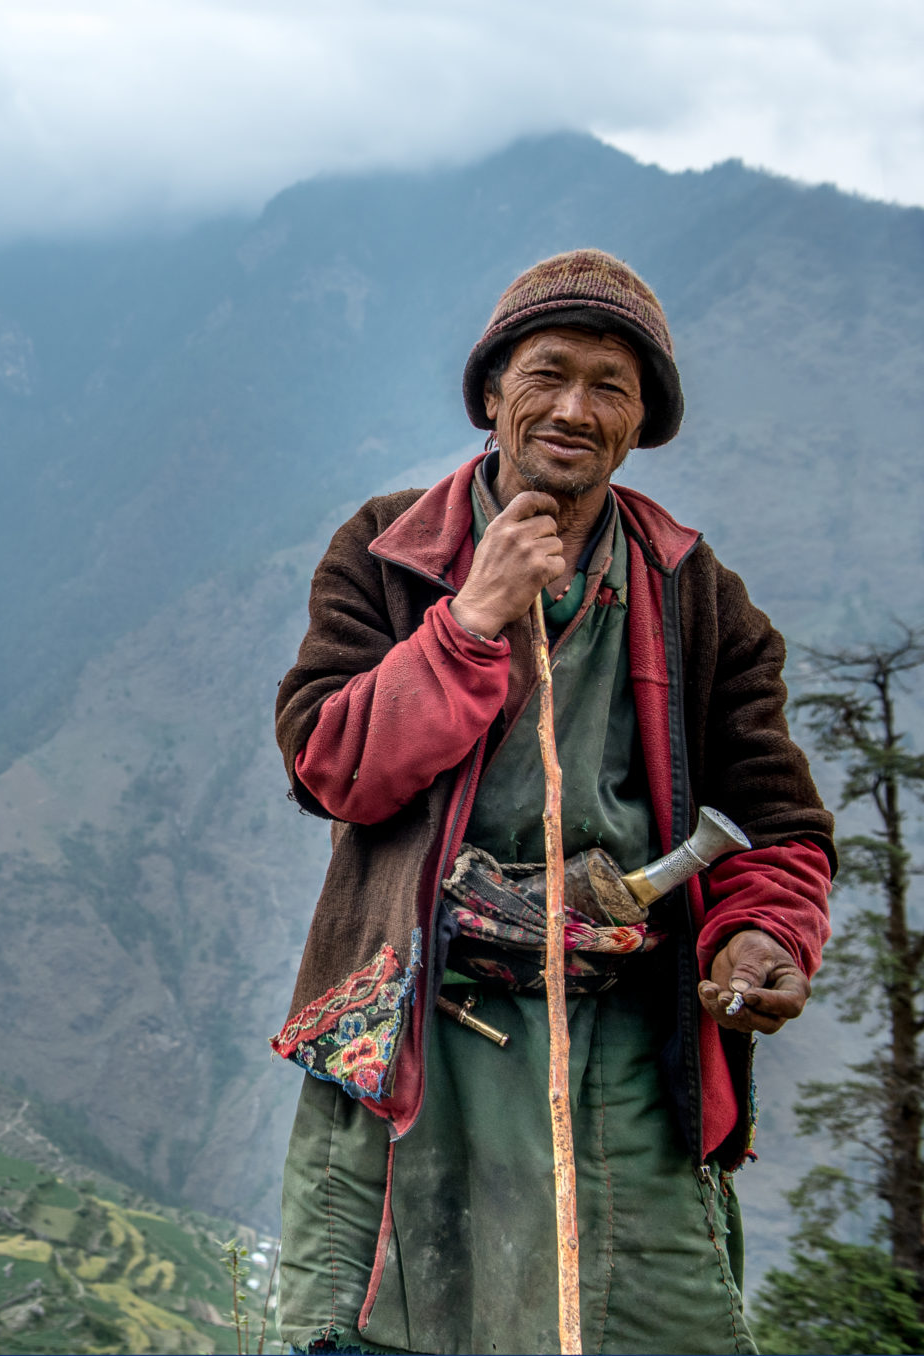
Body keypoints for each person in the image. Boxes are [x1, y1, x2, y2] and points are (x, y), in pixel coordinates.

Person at [269, 249, 833, 1354]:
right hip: (416, 1033)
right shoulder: (388, 557)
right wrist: (469, 619)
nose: (573, 408)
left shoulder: (692, 593)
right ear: (491, 393)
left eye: (609, 386)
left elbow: (772, 821)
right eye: (547, 372)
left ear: (639, 423)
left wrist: (762, 934)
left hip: (619, 1042)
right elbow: (327, 764)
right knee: (381, 1323)